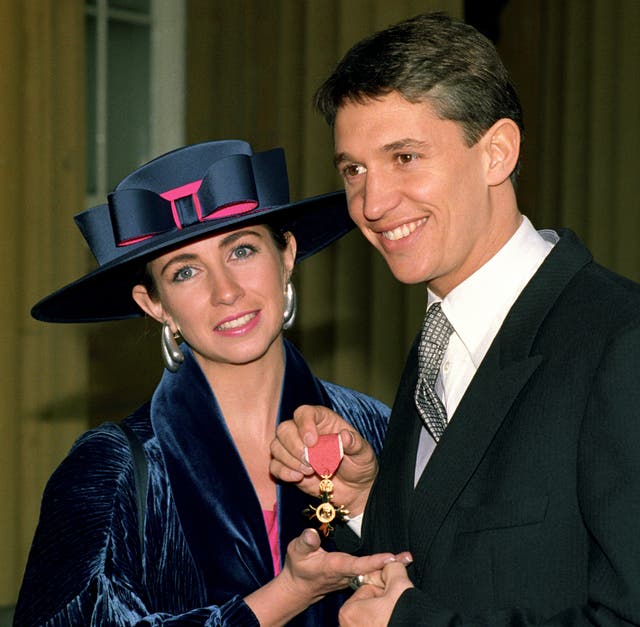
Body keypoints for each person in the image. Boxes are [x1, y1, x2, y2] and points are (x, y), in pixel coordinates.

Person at [270, 12, 640, 626]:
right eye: (353, 170)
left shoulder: (619, 341)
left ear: (497, 152)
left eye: (405, 157)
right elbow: (440, 566)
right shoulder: (439, 338)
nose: (372, 203)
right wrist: (362, 501)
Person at [15, 140, 409, 626]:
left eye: (241, 250)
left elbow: (459, 592)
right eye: (184, 272)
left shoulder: (379, 431)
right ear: (154, 304)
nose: (226, 292)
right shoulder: (109, 470)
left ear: (286, 255)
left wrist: (364, 508)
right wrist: (284, 596)